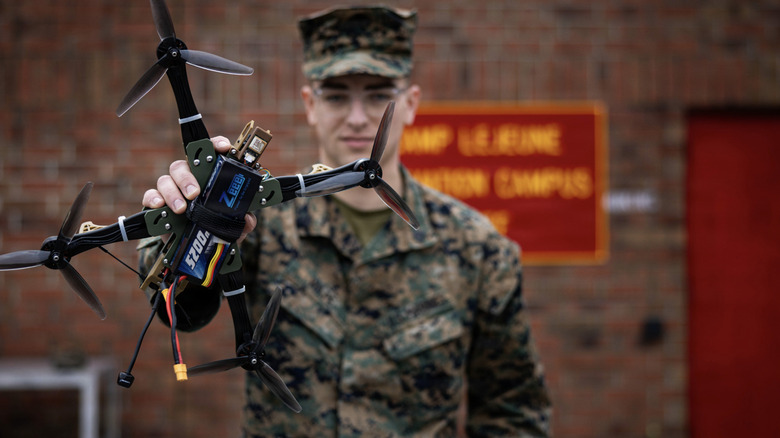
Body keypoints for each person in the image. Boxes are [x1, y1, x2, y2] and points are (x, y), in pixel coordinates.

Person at [140, 5, 551, 437]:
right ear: (310, 104)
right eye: (336, 95)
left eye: (377, 94)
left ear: (411, 104)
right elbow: (179, 309)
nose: (357, 117)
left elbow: (514, 410)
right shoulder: (260, 225)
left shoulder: (477, 249)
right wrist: (189, 219)